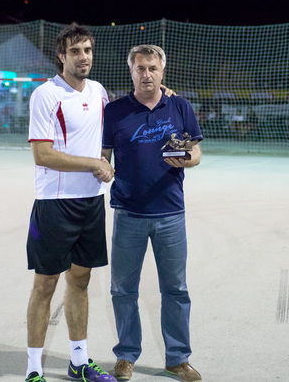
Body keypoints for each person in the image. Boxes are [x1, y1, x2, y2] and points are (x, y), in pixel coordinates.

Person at [102, 45, 203, 382]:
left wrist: (186, 158)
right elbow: (104, 155)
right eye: (140, 68)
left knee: (176, 289)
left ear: (162, 71)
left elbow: (196, 151)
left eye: (153, 68)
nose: (147, 74)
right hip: (128, 212)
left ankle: (178, 359)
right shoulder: (115, 111)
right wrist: (102, 168)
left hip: (170, 212)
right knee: (123, 290)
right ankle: (126, 355)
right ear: (131, 71)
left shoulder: (179, 106)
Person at [24, 22, 117, 382]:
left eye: (88, 50)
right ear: (61, 56)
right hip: (55, 203)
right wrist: (94, 163)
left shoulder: (98, 91)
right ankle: (34, 369)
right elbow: (43, 155)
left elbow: (103, 139)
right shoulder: (46, 95)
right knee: (45, 285)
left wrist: (104, 162)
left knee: (80, 281)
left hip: (91, 203)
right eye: (75, 51)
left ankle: (79, 362)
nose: (83, 57)